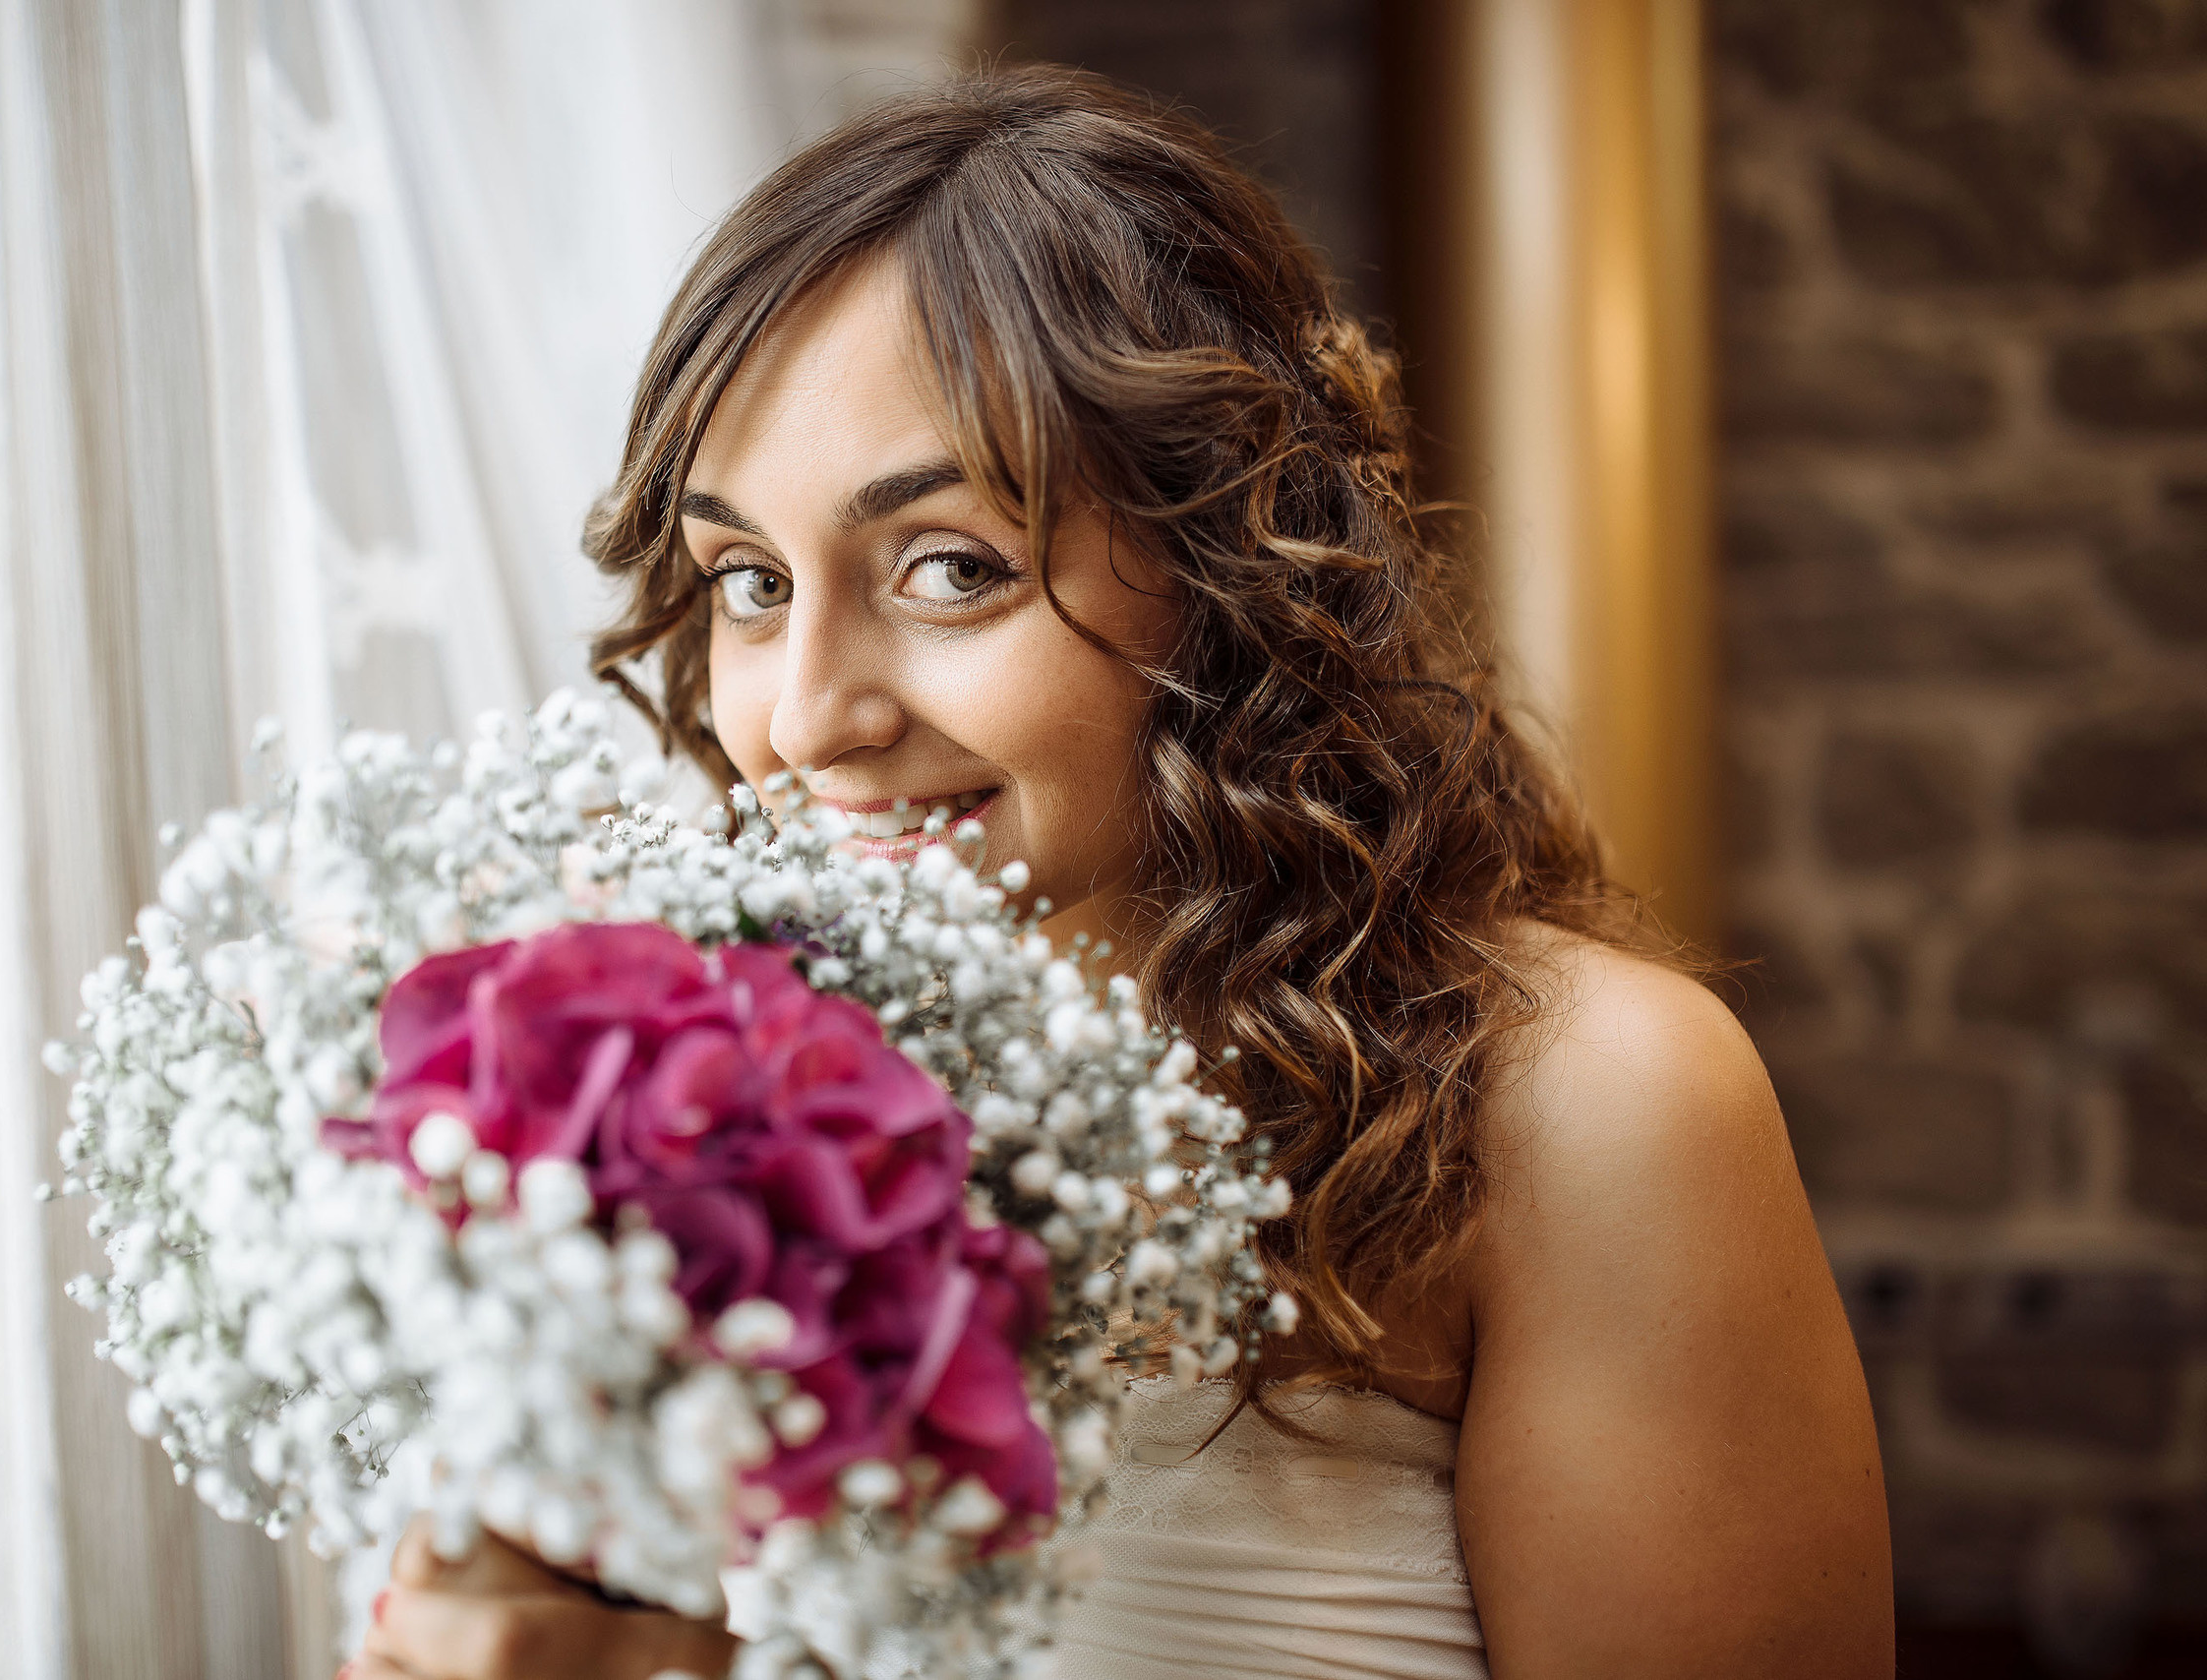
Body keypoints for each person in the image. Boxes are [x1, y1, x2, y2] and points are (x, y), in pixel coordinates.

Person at [350, 66, 1893, 1680]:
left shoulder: (1588, 1106)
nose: (803, 719)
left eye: (949, 568)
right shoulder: (659, 1110)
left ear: (1230, 567)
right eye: (748, 580)